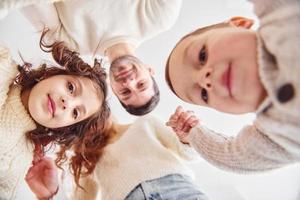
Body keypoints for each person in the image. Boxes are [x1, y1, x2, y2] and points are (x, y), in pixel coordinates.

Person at [165, 0, 300, 173]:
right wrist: (193, 134)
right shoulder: (277, 136)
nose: (204, 79)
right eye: (204, 95)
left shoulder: (282, 16)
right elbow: (232, 157)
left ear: (239, 25)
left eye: (202, 56)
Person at [0, 31, 111, 199]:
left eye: (75, 112)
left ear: (63, 128)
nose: (67, 104)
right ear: (51, 75)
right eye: (71, 88)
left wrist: (48, 195)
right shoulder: (2, 61)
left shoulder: (20, 161)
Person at [21, 0, 183, 115]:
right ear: (150, 70)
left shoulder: (69, 45)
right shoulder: (159, 19)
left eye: (125, 92)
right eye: (141, 84)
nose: (129, 82)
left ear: (112, 88)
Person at [26, 115, 209, 200]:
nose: (89, 122)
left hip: (178, 190)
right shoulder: (86, 160)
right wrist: (47, 196)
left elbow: (188, 153)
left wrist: (188, 137)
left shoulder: (146, 123)